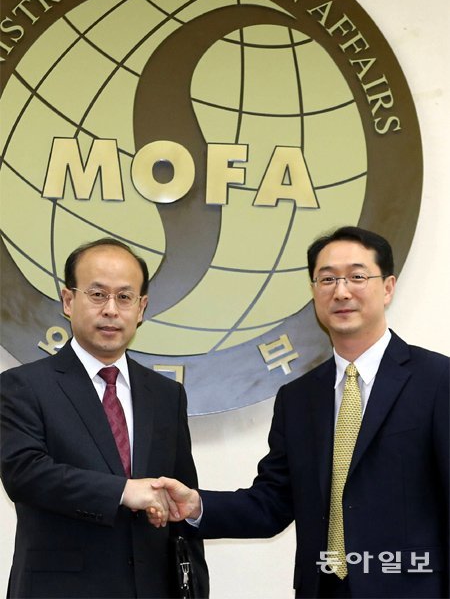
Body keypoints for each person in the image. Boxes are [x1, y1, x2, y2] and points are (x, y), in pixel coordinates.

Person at [151, 226, 449, 599]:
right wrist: (196, 505)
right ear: (314, 291)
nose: (341, 291)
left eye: (357, 277)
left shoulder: (437, 380)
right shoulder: (298, 398)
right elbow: (273, 502)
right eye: (327, 279)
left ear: (387, 287)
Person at [0, 238, 209, 598]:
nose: (111, 310)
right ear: (68, 301)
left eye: (125, 297)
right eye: (97, 295)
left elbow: (182, 504)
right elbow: (25, 474)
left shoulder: (166, 395)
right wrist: (124, 491)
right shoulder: (23, 386)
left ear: (141, 308)